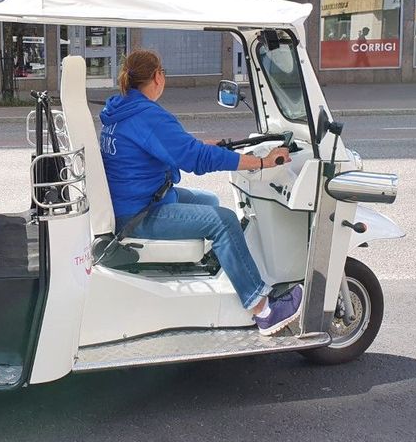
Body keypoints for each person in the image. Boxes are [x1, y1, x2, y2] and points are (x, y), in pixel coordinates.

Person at [99, 49, 301, 335]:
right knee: (224, 220)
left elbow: (172, 147)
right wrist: (261, 162)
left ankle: (214, 269)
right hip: (140, 213)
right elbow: (195, 160)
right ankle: (263, 309)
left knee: (208, 200)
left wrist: (208, 146)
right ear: (158, 76)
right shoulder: (147, 116)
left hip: (139, 198)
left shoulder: (121, 109)